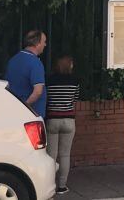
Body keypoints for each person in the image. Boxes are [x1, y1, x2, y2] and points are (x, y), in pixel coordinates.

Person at [46, 55, 80, 195]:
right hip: (69, 120)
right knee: (65, 155)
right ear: (68, 66)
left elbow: (46, 98)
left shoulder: (49, 80)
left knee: (51, 155)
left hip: (52, 119)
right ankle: (62, 186)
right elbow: (75, 99)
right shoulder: (75, 81)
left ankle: (49, 184)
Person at [5, 30, 47, 117]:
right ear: (37, 43)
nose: (45, 45)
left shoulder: (13, 60)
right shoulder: (35, 62)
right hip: (32, 114)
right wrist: (24, 106)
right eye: (44, 42)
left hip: (13, 111)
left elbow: (7, 86)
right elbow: (38, 91)